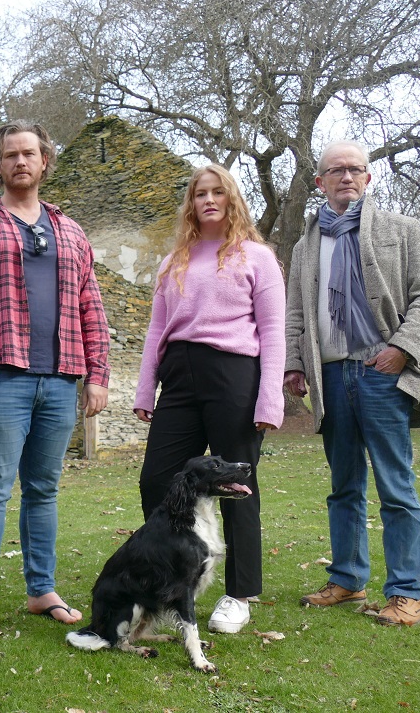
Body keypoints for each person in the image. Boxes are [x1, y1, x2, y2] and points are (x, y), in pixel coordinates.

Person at [0, 120, 110, 639]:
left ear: (44, 162)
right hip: (1, 379)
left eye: (30, 154)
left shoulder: (71, 231)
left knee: (44, 489)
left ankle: (41, 589)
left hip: (60, 381)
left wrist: (97, 374)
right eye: (10, 155)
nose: (20, 162)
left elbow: (91, 305)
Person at [285, 140, 420, 627]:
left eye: (356, 169)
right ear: (320, 181)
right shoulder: (305, 244)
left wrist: (402, 349)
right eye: (336, 171)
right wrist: (295, 364)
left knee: (395, 485)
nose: (346, 177)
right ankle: (348, 578)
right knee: (344, 485)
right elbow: (295, 313)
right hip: (331, 376)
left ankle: (407, 591)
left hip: (382, 373)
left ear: (369, 178)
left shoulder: (403, 230)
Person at [132, 163, 285, 635]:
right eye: (200, 194)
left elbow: (274, 330)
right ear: (192, 203)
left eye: (218, 192)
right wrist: (145, 386)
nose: (209, 200)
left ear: (232, 198)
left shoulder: (256, 257)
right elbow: (158, 328)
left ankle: (238, 595)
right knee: (156, 478)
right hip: (179, 376)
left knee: (239, 487)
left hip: (233, 375)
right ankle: (178, 574)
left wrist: (269, 399)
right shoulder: (173, 260)